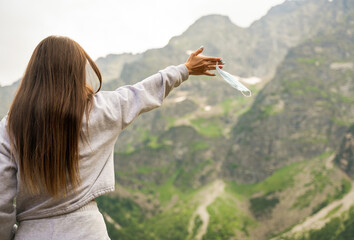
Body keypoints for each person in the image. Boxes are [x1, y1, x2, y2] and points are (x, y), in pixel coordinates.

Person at [0, 35, 223, 240]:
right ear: (77, 70)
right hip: (88, 232)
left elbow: (1, 200)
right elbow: (142, 93)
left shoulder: (10, 125)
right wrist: (184, 69)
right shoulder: (101, 110)